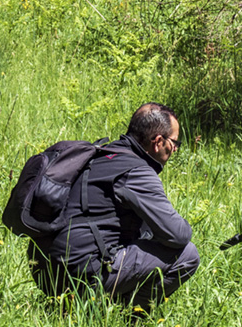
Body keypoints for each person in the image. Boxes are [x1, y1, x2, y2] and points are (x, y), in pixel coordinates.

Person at [29, 103, 200, 312]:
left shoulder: (100, 154)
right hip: (80, 277)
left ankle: (90, 308)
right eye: (175, 142)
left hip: (42, 271)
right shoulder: (136, 171)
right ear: (157, 142)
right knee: (187, 254)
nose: (175, 149)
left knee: (145, 229)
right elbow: (178, 236)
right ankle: (130, 317)